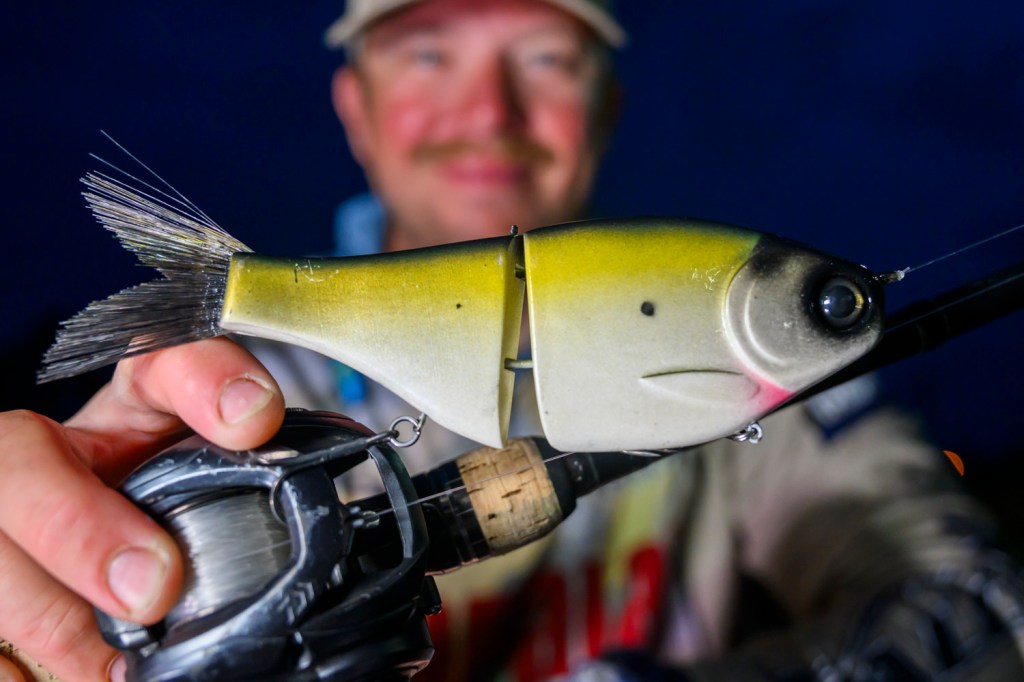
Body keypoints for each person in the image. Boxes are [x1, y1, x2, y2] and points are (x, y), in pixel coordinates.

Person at [2, 1, 1023, 681]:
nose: (489, 110)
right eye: (429, 51)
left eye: (544, 57)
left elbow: (974, 600)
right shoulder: (214, 405)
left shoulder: (783, 393)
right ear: (356, 109)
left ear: (604, 108)